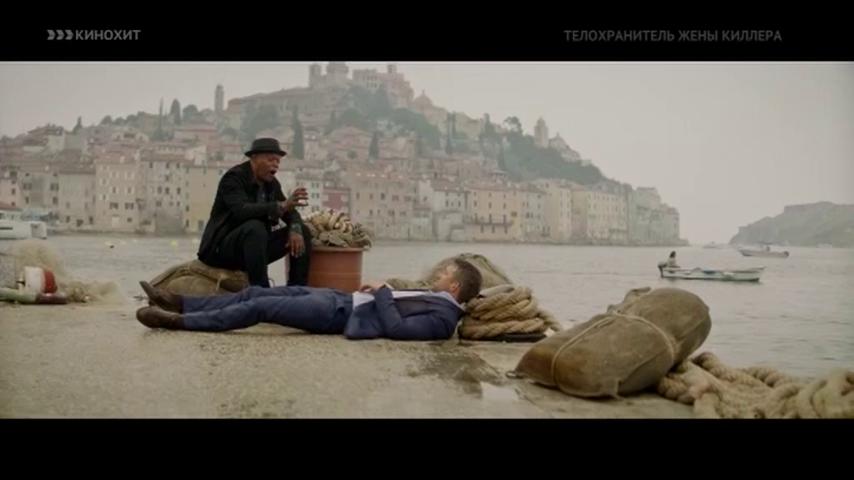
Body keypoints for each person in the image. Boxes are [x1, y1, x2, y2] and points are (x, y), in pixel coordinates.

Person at [136, 258, 484, 341]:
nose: (437, 275)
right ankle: (179, 302)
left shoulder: (442, 320)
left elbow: (396, 328)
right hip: (338, 297)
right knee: (256, 292)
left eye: (444, 274)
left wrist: (382, 291)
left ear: (454, 287)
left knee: (260, 307)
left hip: (337, 315)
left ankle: (180, 322)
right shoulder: (435, 297)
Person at [197, 138, 311, 287]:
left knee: (303, 231)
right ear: (254, 158)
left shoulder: (272, 184)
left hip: (255, 247)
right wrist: (279, 206)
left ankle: (297, 287)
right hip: (222, 249)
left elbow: (289, 210)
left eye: (278, 161)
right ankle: (261, 289)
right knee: (255, 227)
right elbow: (241, 211)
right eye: (270, 159)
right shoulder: (233, 178)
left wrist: (295, 228)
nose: (275, 164)